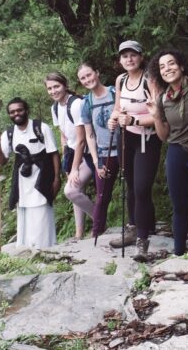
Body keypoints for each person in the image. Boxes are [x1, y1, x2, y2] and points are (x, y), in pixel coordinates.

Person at [146, 48, 188, 257]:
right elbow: (164, 136)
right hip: (176, 151)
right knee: (179, 203)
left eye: (171, 64)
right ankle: (177, 251)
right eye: (162, 67)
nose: (167, 69)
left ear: (182, 66)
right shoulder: (163, 99)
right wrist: (157, 116)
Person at [108, 40, 162, 257]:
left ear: (141, 57)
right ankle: (133, 227)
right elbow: (117, 108)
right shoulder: (120, 80)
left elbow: (159, 115)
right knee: (130, 184)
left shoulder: (150, 79)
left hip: (148, 139)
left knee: (141, 187)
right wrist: (114, 119)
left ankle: (142, 238)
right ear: (120, 60)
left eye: (133, 55)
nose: (129, 59)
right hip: (127, 138)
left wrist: (134, 120)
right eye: (124, 56)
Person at [0, 97, 60, 249]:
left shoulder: (41, 128)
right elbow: (1, 162)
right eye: (12, 112)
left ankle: (46, 248)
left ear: (27, 110)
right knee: (25, 213)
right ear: (9, 114)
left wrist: (57, 179)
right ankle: (27, 249)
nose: (16, 114)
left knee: (42, 211)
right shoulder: (8, 134)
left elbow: (54, 153)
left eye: (19, 110)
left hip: (42, 177)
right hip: (22, 181)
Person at [45, 72, 95, 240]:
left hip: (88, 152)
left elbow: (82, 140)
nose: (53, 91)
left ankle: (100, 221)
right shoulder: (55, 107)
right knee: (76, 191)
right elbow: (63, 134)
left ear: (65, 85)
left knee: (71, 191)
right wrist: (66, 156)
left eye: (56, 86)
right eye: (50, 88)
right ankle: (79, 233)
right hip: (72, 152)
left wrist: (74, 169)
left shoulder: (76, 104)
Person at [76, 62, 120, 241]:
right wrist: (96, 162)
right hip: (103, 153)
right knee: (102, 196)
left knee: (135, 191)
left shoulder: (115, 93)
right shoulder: (86, 103)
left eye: (89, 75)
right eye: (83, 78)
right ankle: (97, 233)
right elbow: (89, 135)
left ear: (97, 72)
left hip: (124, 150)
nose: (87, 79)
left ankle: (142, 230)